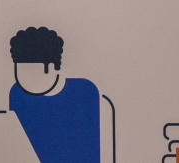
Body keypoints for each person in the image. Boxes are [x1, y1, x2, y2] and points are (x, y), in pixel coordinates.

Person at [7, 26, 116, 163]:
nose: (21, 79)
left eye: (28, 71)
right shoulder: (17, 94)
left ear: (50, 67)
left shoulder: (86, 94)